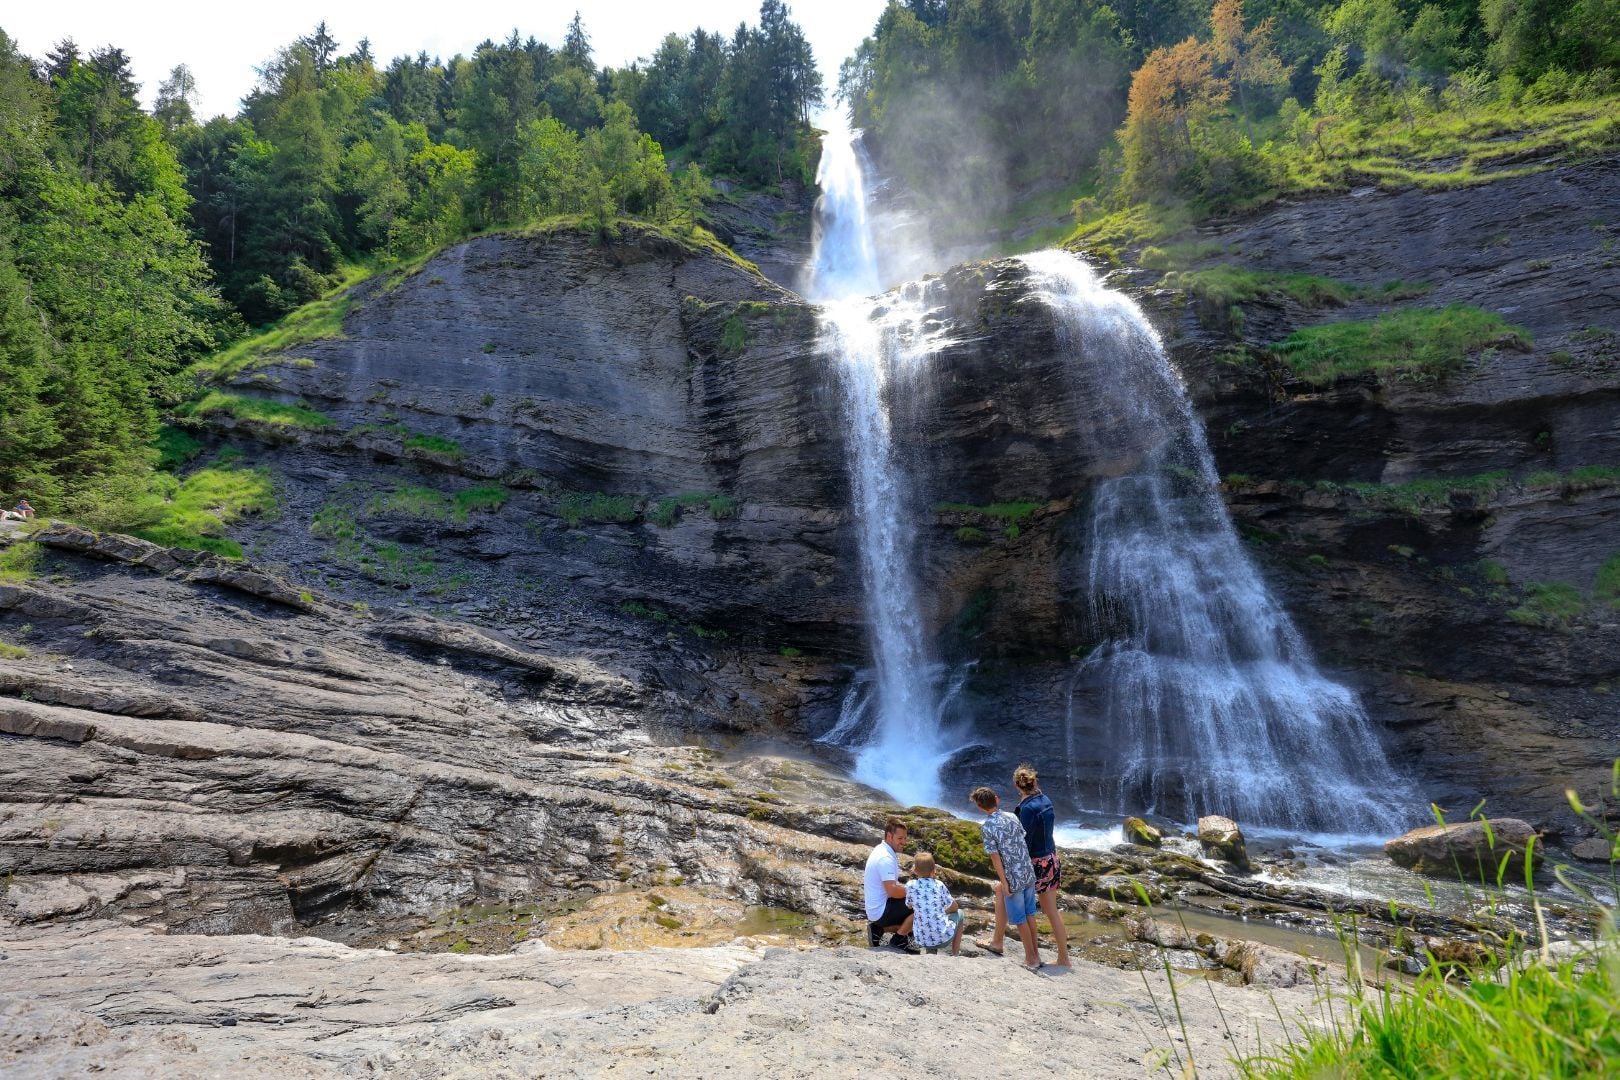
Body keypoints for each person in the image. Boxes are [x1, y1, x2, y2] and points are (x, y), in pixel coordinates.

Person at [971, 785, 1042, 970]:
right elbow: (1022, 842)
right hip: (1027, 872)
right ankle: (1036, 954)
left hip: (1013, 877)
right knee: (1030, 914)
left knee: (1019, 919)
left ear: (979, 807)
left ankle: (1031, 959)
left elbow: (995, 858)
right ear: (997, 799)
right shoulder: (1012, 816)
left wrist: (1004, 882)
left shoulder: (987, 827)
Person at [1012, 764, 1070, 969]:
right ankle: (1063, 957)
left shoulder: (1027, 809)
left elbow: (1023, 843)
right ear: (1034, 782)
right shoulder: (1045, 800)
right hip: (1052, 858)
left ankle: (1030, 955)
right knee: (1052, 911)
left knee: (1022, 906)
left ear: (1017, 786)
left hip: (1037, 863)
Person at [863, 816, 917, 952]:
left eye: (905, 838)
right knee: (922, 904)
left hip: (876, 908)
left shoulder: (882, 849)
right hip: (880, 910)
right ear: (889, 836)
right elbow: (892, 891)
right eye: (900, 838)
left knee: (911, 902)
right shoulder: (885, 858)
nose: (904, 842)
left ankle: (879, 929)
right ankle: (898, 940)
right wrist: (915, 891)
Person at [904, 851, 963, 955]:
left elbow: (909, 906)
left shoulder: (910, 885)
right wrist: (944, 912)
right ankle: (955, 954)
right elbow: (954, 907)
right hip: (942, 938)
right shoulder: (939, 885)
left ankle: (930, 951)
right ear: (934, 870)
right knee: (960, 913)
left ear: (915, 871)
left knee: (923, 917)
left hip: (921, 939)